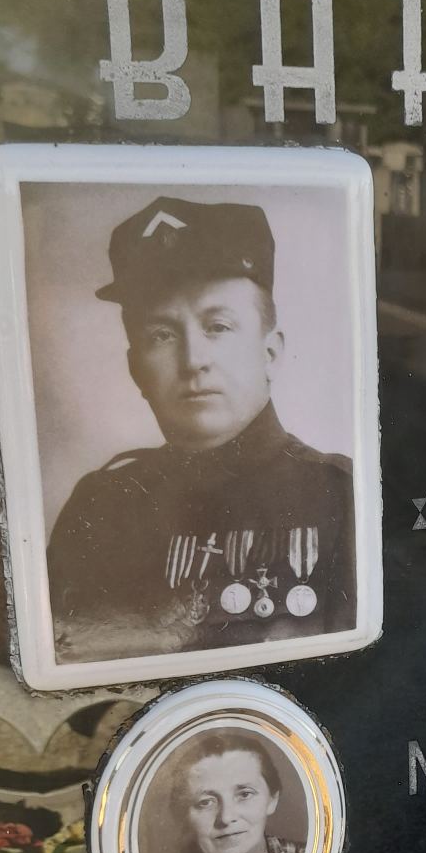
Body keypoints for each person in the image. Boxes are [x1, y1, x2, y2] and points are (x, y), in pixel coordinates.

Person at [46, 195, 356, 663]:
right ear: (136, 370)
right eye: (162, 335)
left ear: (270, 353)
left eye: (218, 326)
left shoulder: (341, 499)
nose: (193, 361)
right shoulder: (99, 508)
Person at [147, 729, 302, 853]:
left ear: (272, 799)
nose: (226, 818)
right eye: (205, 802)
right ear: (184, 814)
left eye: (244, 794)